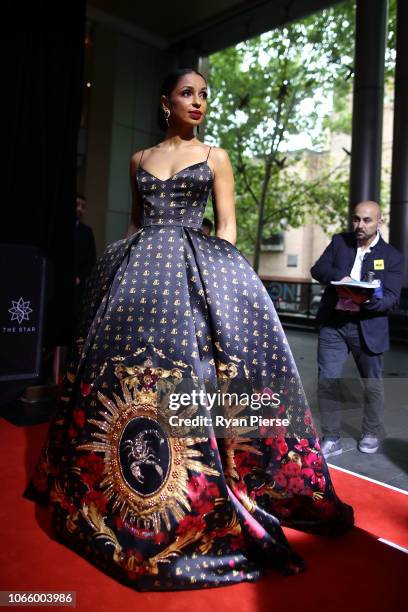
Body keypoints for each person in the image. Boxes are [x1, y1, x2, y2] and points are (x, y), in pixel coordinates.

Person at [24, 68, 353, 592]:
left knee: (194, 377)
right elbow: (135, 225)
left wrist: (224, 285)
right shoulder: (139, 160)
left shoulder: (214, 157)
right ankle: (112, 488)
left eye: (204, 95)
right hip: (137, 275)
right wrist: (116, 275)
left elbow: (226, 227)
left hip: (193, 272)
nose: (197, 102)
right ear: (164, 102)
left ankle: (199, 478)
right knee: (121, 380)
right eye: (187, 94)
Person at [311, 201, 403, 458]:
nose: (360, 225)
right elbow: (318, 269)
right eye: (356, 219)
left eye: (366, 220)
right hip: (335, 324)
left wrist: (369, 299)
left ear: (379, 222)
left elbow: (393, 298)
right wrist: (343, 280)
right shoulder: (340, 242)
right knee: (327, 381)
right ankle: (331, 438)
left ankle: (370, 431)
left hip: (368, 327)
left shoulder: (392, 256)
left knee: (371, 385)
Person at [74, 194, 97, 325]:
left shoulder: (87, 232)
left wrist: (80, 277)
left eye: (83, 206)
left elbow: (91, 260)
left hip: (78, 285)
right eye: (77, 205)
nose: (80, 209)